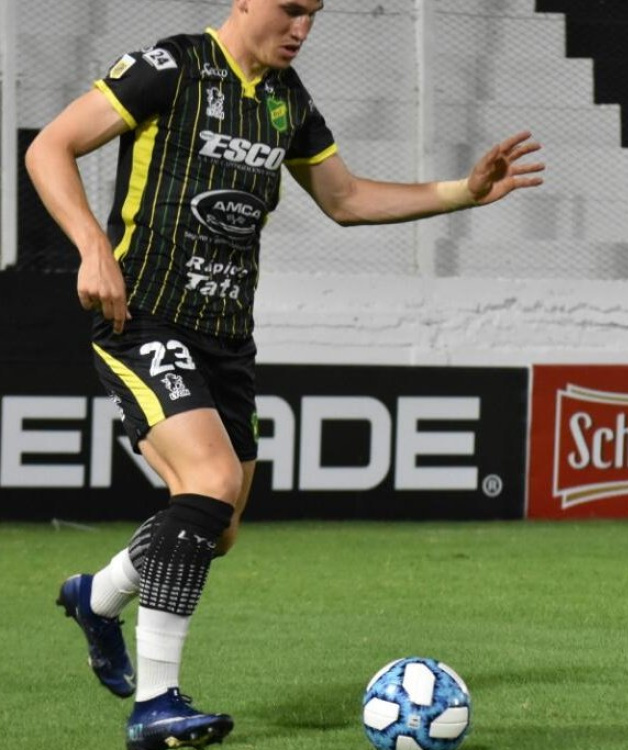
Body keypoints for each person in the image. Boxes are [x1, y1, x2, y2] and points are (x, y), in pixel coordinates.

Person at [24, 1, 544, 747]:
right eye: (290, 8)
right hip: (144, 317)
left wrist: (463, 191)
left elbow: (346, 199)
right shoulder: (172, 68)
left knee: (219, 527)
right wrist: (92, 248)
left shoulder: (286, 101)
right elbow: (50, 147)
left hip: (228, 342)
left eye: (314, 13)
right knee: (208, 483)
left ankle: (97, 598)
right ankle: (156, 704)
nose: (302, 27)